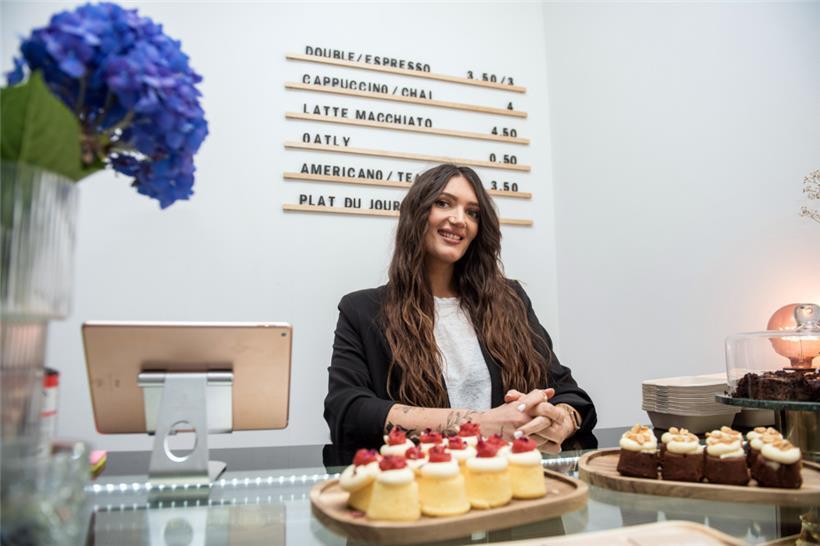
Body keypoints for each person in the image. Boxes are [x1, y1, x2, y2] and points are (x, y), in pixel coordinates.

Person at [323, 164, 596, 456]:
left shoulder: (510, 300)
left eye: (472, 212)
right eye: (443, 203)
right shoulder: (362, 310)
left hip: (511, 482)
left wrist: (559, 421)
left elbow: (568, 393)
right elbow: (347, 410)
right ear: (417, 213)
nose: (459, 219)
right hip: (421, 485)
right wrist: (480, 424)